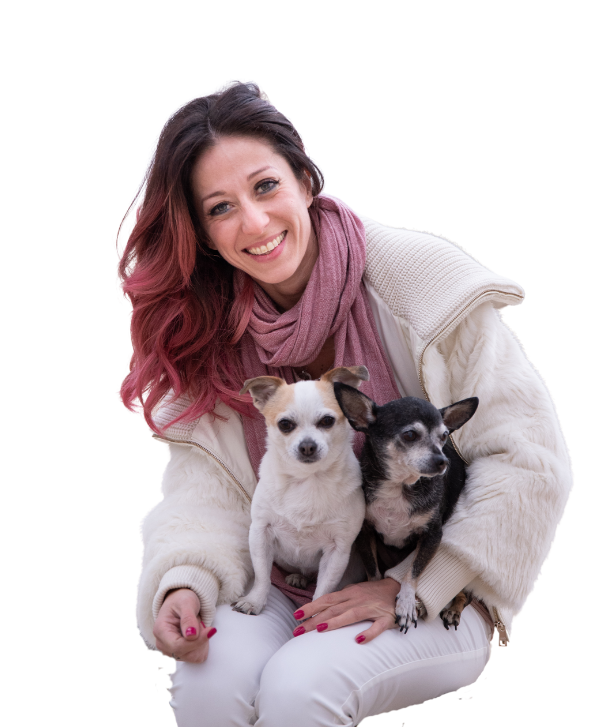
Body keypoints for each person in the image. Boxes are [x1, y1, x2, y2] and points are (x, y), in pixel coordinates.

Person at [115, 79, 573, 726]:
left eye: (265, 186)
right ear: (204, 233)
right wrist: (186, 577)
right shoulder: (211, 331)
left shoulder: (417, 281)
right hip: (289, 574)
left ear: (305, 180)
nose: (254, 223)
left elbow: (529, 460)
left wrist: (416, 585)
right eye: (220, 208)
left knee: (300, 688)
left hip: (436, 582)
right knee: (209, 682)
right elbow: (207, 489)